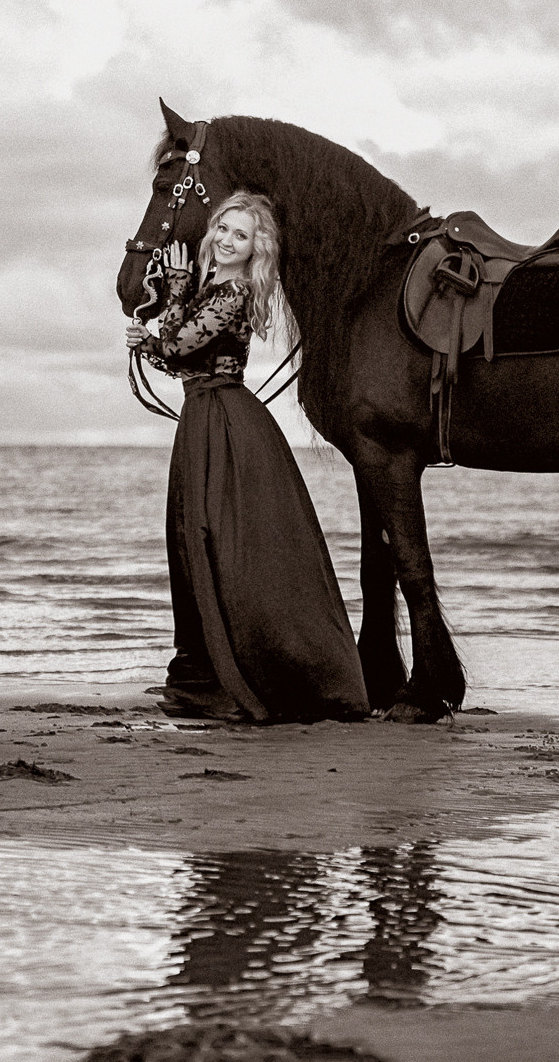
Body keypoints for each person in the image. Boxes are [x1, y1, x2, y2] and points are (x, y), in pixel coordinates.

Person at [123, 191, 370, 723]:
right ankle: (207, 669)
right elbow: (179, 357)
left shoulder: (233, 292)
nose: (228, 241)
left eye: (242, 235)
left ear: (257, 249)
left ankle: (257, 673)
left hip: (227, 423)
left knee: (231, 546)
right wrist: (174, 303)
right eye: (224, 230)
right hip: (206, 417)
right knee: (196, 541)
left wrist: (154, 328)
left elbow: (176, 345)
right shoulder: (212, 286)